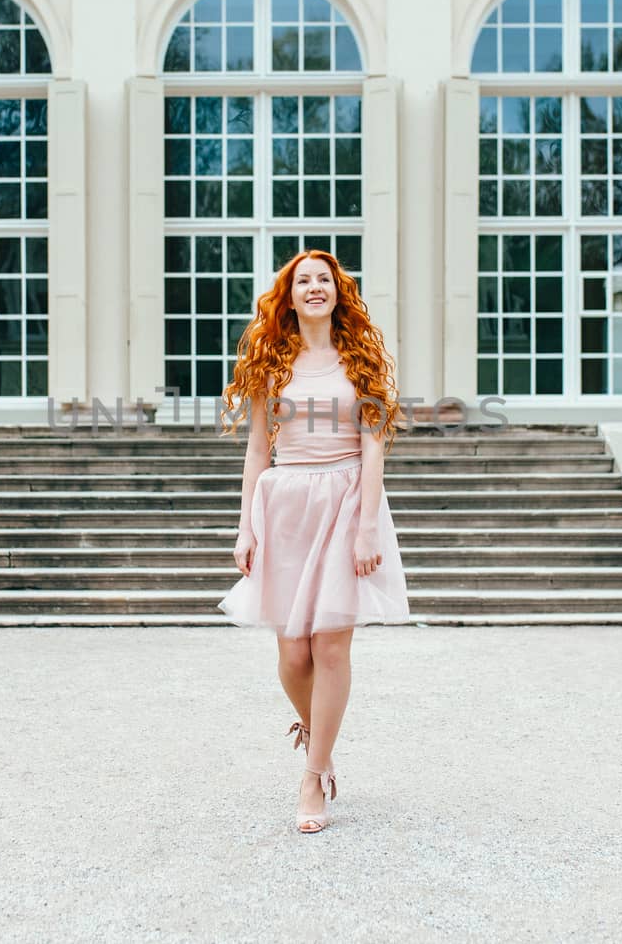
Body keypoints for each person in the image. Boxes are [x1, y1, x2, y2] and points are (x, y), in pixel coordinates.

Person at [217, 249, 411, 834]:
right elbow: (257, 450)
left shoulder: (362, 362)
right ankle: (318, 735)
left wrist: (368, 525)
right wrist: (245, 524)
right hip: (286, 506)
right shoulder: (270, 363)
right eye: (303, 281)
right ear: (290, 295)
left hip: (348, 500)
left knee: (330, 649)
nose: (314, 288)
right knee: (292, 655)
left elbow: (374, 446)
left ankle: (314, 774)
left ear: (338, 291)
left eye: (324, 279)